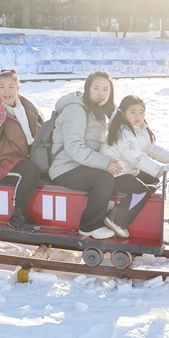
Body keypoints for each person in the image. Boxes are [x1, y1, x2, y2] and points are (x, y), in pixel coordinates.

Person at [101, 95, 169, 237]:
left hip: (127, 169)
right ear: (123, 114)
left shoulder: (139, 129)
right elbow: (136, 157)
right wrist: (159, 169)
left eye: (141, 112)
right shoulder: (122, 132)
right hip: (114, 172)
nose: (138, 116)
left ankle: (140, 208)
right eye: (133, 112)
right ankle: (115, 219)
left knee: (153, 180)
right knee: (140, 190)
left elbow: (152, 149)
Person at [48, 71, 123, 239]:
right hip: (65, 167)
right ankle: (89, 225)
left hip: (82, 165)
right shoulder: (76, 109)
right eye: (96, 88)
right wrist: (105, 163)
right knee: (104, 178)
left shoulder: (98, 110)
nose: (100, 93)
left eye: (106, 89)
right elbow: (74, 148)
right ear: (87, 89)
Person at [0, 70, 43, 232]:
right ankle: (18, 215)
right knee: (29, 170)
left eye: (11, 86)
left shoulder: (26, 108)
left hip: (20, 158)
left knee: (39, 167)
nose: (7, 91)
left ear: (18, 88)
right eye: (2, 87)